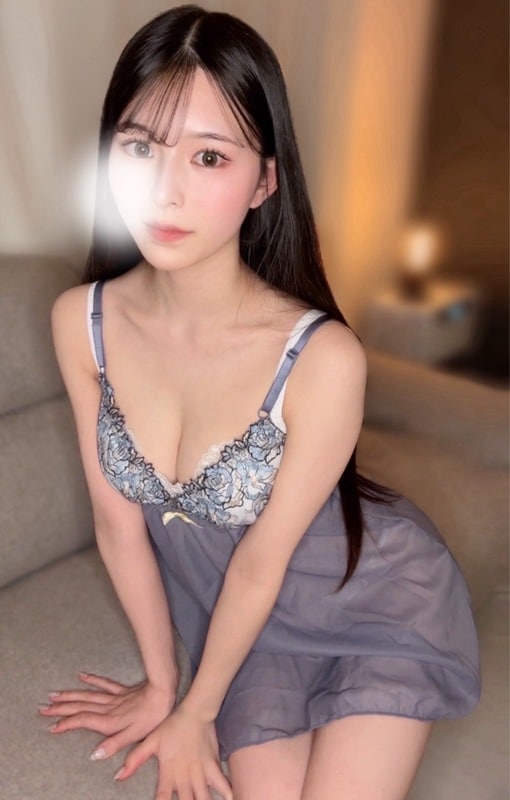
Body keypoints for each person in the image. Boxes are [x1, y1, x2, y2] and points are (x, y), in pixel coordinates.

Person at [46, 5, 480, 799]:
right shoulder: (83, 322)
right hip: (245, 626)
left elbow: (261, 561)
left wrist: (197, 710)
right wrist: (161, 685)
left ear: (264, 181)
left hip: (371, 601)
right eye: (140, 147)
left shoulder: (321, 358)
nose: (165, 190)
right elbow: (117, 523)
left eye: (210, 157)